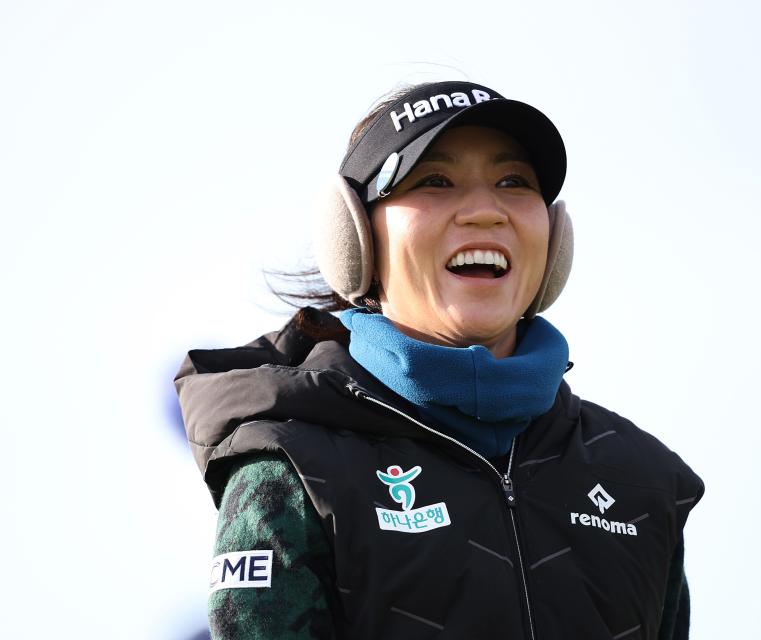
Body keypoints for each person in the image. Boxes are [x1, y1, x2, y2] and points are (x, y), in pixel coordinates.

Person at [176, 80, 704, 640]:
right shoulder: (294, 468)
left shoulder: (640, 479)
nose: (484, 211)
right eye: (435, 180)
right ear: (353, 237)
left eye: (513, 182)